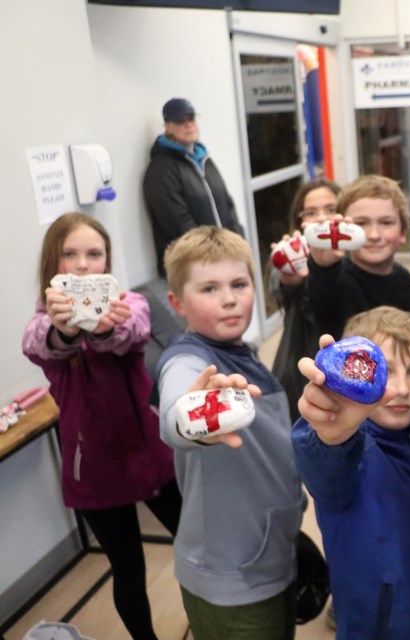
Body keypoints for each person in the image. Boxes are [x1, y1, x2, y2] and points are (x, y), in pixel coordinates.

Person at [22, 213, 181, 640]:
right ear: (51, 264)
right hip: (93, 468)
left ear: (107, 263)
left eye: (94, 254)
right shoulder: (44, 325)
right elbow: (37, 343)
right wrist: (68, 329)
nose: (81, 264)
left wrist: (101, 326)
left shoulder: (131, 303)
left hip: (152, 455)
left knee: (193, 542)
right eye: (69, 254)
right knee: (128, 569)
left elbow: (135, 328)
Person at [292, 306, 410, 638]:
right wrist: (332, 434)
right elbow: (324, 462)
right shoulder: (354, 456)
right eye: (385, 370)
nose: (401, 389)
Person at [156, 227, 302, 640]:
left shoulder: (243, 352)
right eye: (209, 288)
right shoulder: (189, 357)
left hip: (270, 556)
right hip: (231, 578)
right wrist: (194, 420)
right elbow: (175, 413)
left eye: (239, 284)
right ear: (177, 302)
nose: (229, 298)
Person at [306, 175, 410, 340]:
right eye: (361, 223)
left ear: (403, 233)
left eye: (386, 223)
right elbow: (322, 291)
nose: (374, 235)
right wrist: (322, 266)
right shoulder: (337, 286)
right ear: (343, 231)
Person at [143, 97, 244, 277]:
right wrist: (214, 257)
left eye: (191, 119)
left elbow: (227, 204)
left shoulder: (204, 159)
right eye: (180, 121)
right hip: (194, 268)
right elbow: (179, 223)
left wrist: (237, 243)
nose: (188, 125)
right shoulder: (161, 169)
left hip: (224, 260)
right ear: (167, 126)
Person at [269, 177, 340, 423]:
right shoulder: (295, 257)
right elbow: (284, 286)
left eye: (331, 209)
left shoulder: (357, 262)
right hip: (300, 370)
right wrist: (288, 277)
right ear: (300, 222)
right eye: (311, 213)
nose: (321, 218)